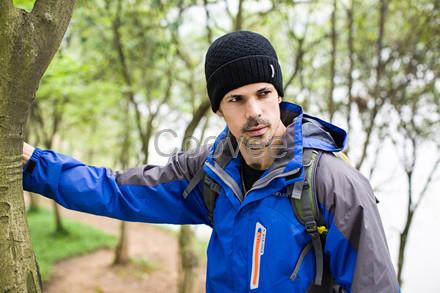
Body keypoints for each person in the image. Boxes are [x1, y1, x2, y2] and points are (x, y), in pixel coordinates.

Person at [22, 31, 400, 292]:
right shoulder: (211, 174)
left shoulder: (334, 184)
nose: (254, 112)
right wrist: (34, 165)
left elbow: (375, 286)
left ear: (278, 96)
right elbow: (118, 190)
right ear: (219, 110)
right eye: (236, 99)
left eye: (263, 93)